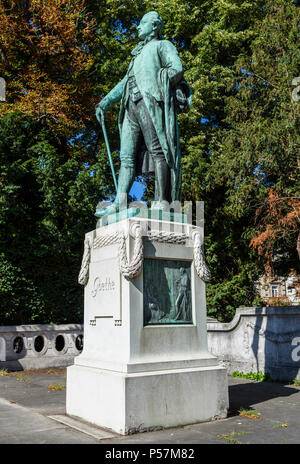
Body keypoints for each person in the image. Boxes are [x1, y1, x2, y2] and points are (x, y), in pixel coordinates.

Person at [95, 11, 192, 216]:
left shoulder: (162, 46)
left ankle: (162, 201)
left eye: (142, 23)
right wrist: (105, 102)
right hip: (130, 106)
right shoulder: (137, 54)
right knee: (126, 158)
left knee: (158, 151)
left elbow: (177, 69)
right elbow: (124, 83)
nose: (138, 27)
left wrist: (160, 86)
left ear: (154, 26)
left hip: (149, 102)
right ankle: (120, 203)